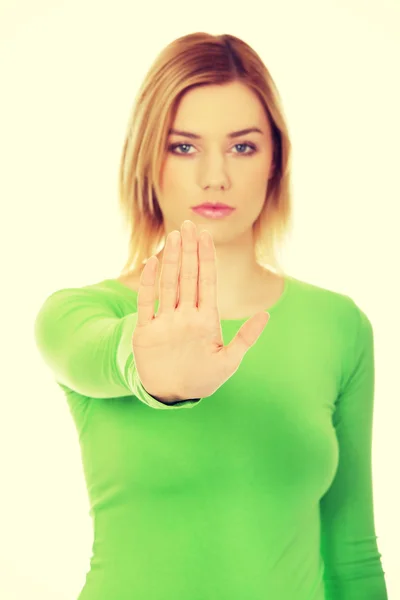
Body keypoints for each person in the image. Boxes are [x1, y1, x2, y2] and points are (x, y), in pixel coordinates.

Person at [33, 32, 388, 600]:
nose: (215, 177)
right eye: (184, 146)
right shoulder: (78, 313)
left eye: (243, 147)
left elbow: (352, 554)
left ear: (276, 159)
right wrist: (157, 374)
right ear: (148, 159)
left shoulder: (339, 325)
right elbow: (106, 353)